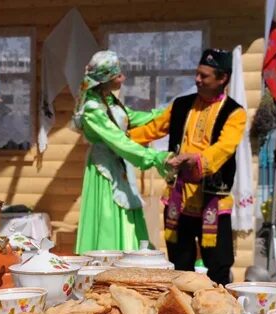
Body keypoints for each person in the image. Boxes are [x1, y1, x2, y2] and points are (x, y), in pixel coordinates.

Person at [129, 48, 247, 285]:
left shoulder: (235, 113)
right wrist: (120, 138)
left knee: (218, 265)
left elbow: (224, 147)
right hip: (179, 197)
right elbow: (152, 129)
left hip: (213, 200)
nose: (197, 80)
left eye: (205, 76)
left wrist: (194, 160)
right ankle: (183, 313)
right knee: (180, 263)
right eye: (197, 74)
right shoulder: (181, 105)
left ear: (222, 78)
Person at [73, 50, 174, 254]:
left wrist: (167, 114)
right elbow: (118, 141)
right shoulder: (92, 108)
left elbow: (132, 118)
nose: (123, 78)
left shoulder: (109, 100)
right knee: (109, 216)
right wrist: (155, 158)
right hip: (105, 170)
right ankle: (109, 261)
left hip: (120, 166)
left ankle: (129, 256)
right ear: (106, 79)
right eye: (118, 75)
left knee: (126, 212)